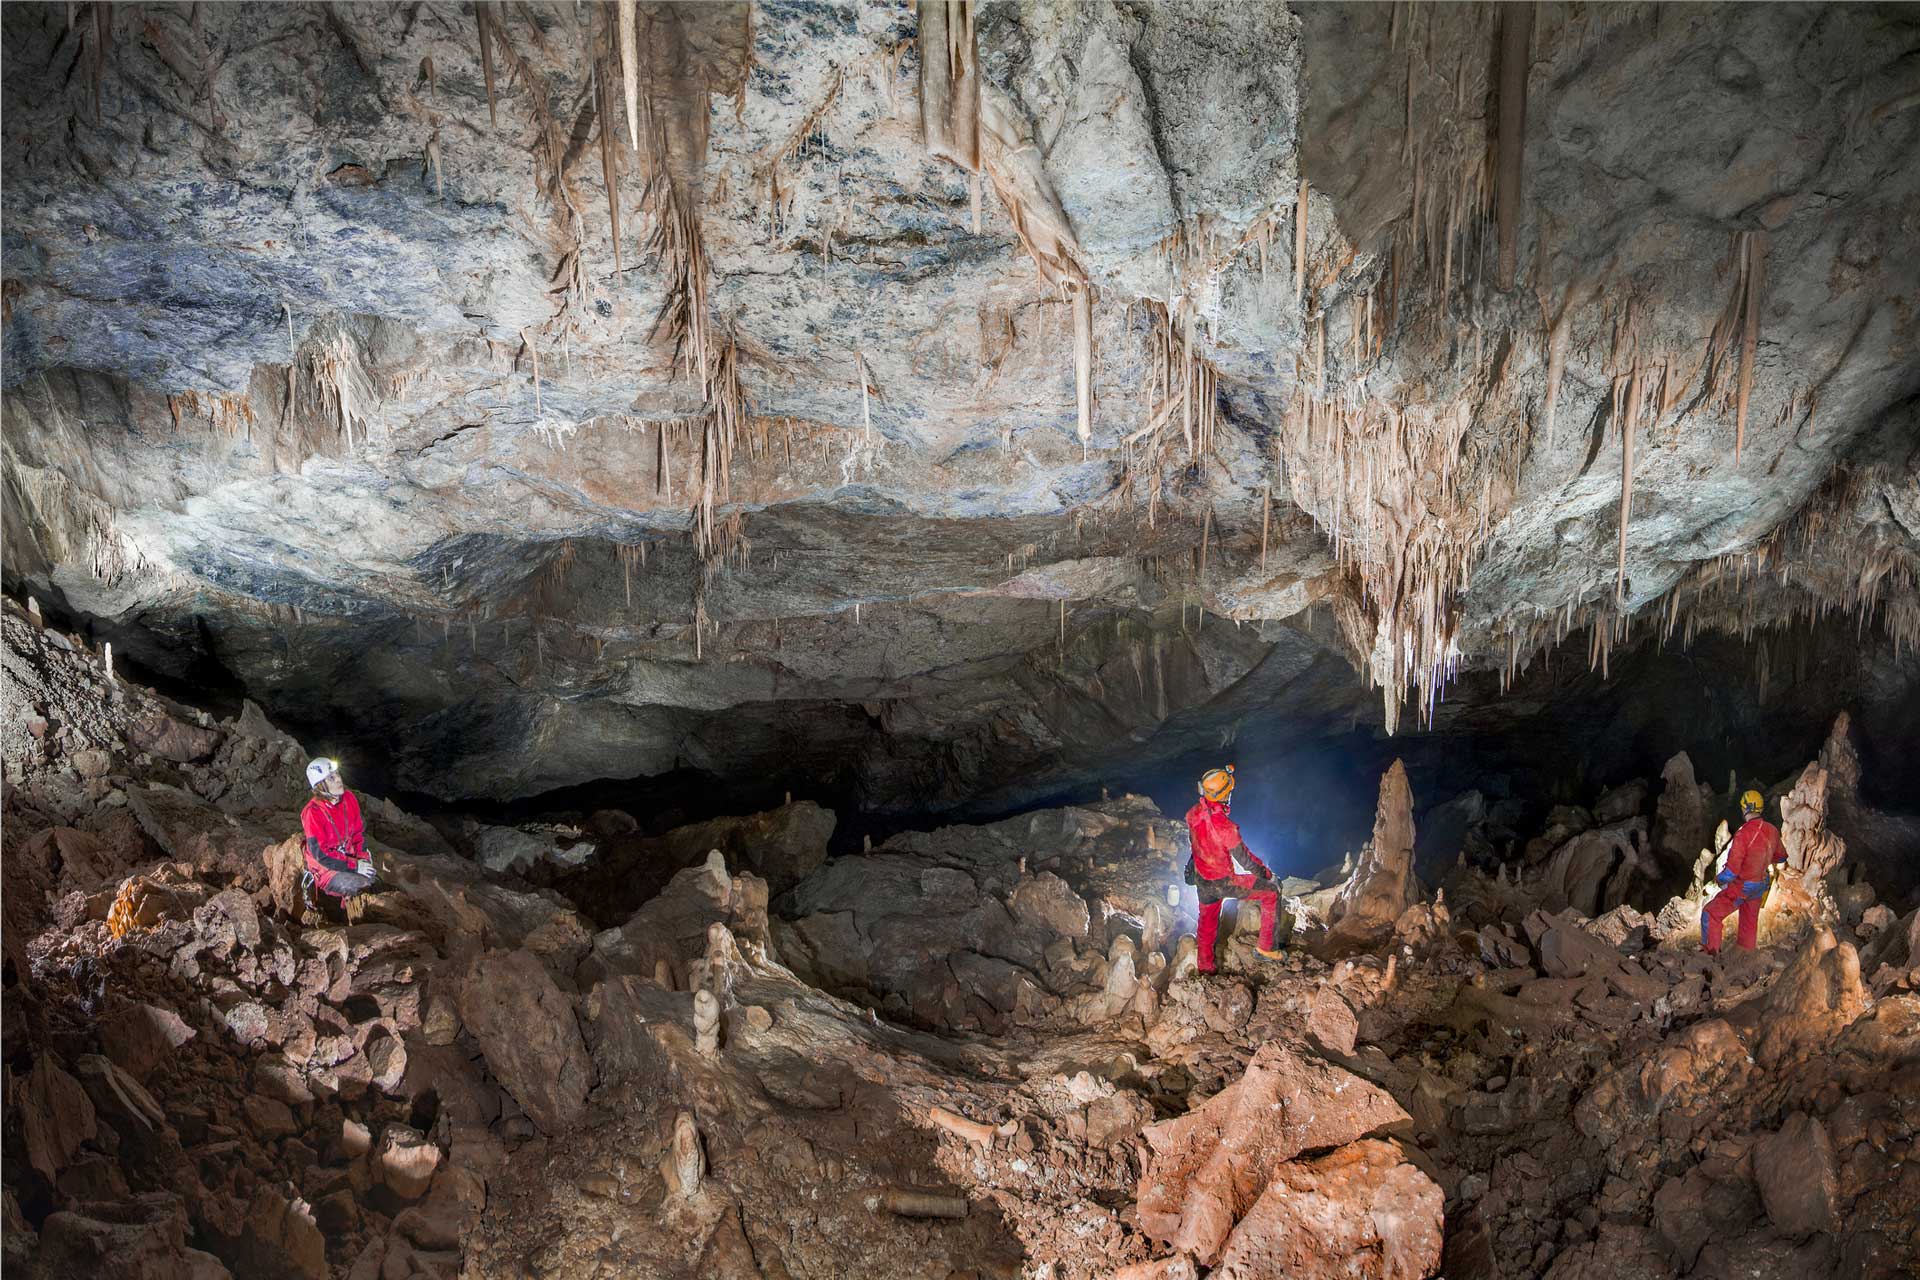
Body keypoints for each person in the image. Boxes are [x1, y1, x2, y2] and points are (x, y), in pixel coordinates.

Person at [1183, 765, 1283, 974]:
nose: (1230, 795)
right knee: (1271, 893)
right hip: (1224, 882)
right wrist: (1267, 875)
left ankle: (1206, 967)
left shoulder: (1193, 814)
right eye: (1229, 792)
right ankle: (1267, 949)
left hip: (1203, 881)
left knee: (1207, 924)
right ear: (1223, 795)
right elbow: (1247, 861)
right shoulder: (1225, 827)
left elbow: (1196, 842)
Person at [1701, 789, 1786, 955]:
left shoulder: (1743, 833)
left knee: (1710, 914)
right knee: (1748, 924)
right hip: (1761, 884)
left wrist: (1718, 880)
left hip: (1743, 886)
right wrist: (1763, 859)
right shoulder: (1772, 830)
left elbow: (1731, 872)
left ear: (1745, 808)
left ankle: (1710, 955)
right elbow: (1781, 857)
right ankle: (1745, 957)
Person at [301, 757, 376, 907]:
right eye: (331, 778)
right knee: (360, 886)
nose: (338, 780)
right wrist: (355, 866)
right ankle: (348, 916)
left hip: (348, 858)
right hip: (326, 869)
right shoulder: (312, 813)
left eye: (337, 774)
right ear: (320, 786)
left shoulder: (349, 798)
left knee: (373, 880)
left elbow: (358, 834)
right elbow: (321, 855)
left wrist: (363, 858)